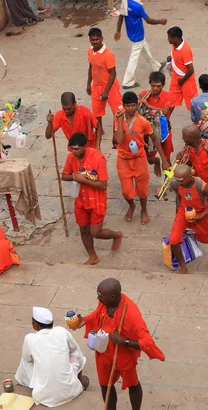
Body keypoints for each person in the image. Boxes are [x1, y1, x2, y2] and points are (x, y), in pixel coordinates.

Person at [68, 278, 165, 410]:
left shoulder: (132, 314)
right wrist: (85, 320)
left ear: (113, 297)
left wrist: (123, 341)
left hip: (123, 354)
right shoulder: (105, 303)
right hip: (104, 351)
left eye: (101, 296)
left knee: (133, 384)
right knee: (105, 385)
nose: (98, 299)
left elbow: (147, 342)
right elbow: (98, 314)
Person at [62, 132, 123, 265]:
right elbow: (64, 175)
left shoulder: (97, 158)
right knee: (83, 229)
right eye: (72, 148)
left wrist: (83, 180)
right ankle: (93, 256)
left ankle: (116, 235)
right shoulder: (71, 157)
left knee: (95, 232)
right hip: (80, 199)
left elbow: (102, 185)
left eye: (76, 148)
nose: (74, 151)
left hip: (96, 200)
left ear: (85, 147)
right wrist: (73, 177)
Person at [15, 306, 88, 407]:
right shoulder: (61, 331)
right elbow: (74, 349)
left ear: (35, 326)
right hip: (71, 391)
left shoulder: (30, 338)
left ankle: (29, 383)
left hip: (42, 397)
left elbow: (27, 358)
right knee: (76, 352)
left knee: (25, 360)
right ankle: (77, 381)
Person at [114, 91, 169, 225]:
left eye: (133, 105)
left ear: (137, 105)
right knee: (127, 192)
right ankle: (131, 205)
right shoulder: (117, 118)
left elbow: (155, 140)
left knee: (143, 189)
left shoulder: (143, 122)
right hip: (123, 159)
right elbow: (119, 140)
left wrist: (164, 160)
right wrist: (120, 121)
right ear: (123, 105)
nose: (130, 108)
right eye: (127, 106)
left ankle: (144, 210)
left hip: (139, 159)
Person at [114, 0, 167, 90]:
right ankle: (128, 81)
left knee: (145, 48)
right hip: (138, 34)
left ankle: (156, 66)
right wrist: (160, 21)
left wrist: (118, 30)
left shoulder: (125, 0)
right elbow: (148, 20)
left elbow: (121, 16)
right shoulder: (138, 5)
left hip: (131, 32)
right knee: (134, 57)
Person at [170, 164, 208, 274]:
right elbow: (178, 198)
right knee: (173, 240)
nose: (179, 183)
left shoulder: (202, 186)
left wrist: (201, 216)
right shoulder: (176, 184)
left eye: (181, 180)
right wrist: (177, 216)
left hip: (201, 214)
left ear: (190, 176)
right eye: (177, 180)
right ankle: (183, 266)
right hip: (183, 213)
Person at [87, 27, 122, 132]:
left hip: (110, 87)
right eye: (92, 40)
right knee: (96, 111)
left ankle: (117, 131)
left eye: (97, 39)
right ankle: (99, 130)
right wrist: (89, 83)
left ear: (101, 39)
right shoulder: (90, 51)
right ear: (90, 40)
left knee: (117, 110)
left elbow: (113, 73)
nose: (95, 42)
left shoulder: (108, 55)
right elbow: (91, 67)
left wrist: (106, 90)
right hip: (96, 86)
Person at [139, 71, 174, 176]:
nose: (155, 89)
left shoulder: (168, 96)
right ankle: (157, 161)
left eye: (158, 86)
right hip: (149, 132)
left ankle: (167, 181)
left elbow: (164, 111)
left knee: (167, 159)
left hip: (164, 132)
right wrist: (139, 99)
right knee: (150, 159)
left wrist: (148, 105)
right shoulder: (145, 94)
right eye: (153, 86)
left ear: (163, 85)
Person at [166, 26, 198, 111]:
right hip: (176, 78)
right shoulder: (175, 45)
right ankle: (166, 120)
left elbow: (190, 70)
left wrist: (182, 80)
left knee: (192, 104)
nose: (168, 39)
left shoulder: (185, 51)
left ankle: (198, 121)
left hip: (186, 79)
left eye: (169, 37)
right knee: (171, 100)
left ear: (176, 38)